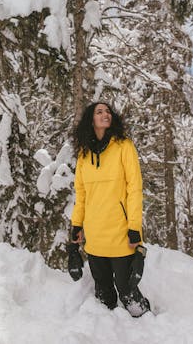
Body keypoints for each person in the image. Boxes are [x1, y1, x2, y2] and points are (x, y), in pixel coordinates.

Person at [69, 101, 151, 317]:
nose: (105, 114)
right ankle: (109, 333)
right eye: (99, 111)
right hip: (95, 236)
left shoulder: (124, 146)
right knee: (104, 294)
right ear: (91, 120)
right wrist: (77, 224)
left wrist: (134, 227)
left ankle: (147, 326)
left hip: (121, 233)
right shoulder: (84, 155)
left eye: (107, 111)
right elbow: (82, 194)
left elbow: (134, 189)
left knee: (127, 292)